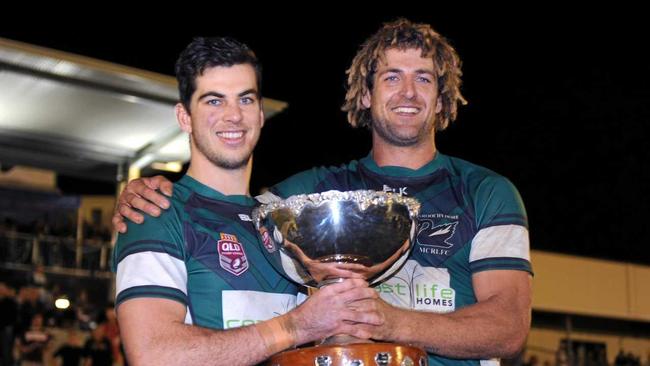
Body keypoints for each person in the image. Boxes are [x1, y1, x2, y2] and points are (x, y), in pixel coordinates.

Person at [114, 19, 533, 365]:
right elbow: (225, 205)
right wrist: (145, 191)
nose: (408, 92)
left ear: (442, 99)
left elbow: (509, 329)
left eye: (423, 78)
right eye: (392, 77)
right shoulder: (317, 191)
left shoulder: (486, 192)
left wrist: (388, 321)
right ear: (366, 94)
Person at [111, 36, 380, 365]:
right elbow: (154, 354)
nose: (233, 115)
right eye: (213, 101)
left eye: (245, 100)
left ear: (261, 113)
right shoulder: (156, 212)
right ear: (184, 117)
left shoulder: (284, 223)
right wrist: (296, 327)